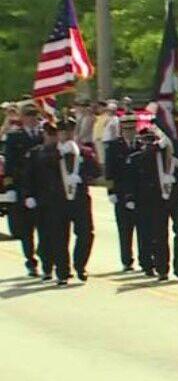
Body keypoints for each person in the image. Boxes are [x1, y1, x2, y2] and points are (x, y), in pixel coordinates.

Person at [132, 125, 178, 281]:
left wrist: (177, 178)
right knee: (159, 233)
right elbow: (142, 161)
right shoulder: (151, 153)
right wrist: (157, 146)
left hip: (177, 197)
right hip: (157, 198)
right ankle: (162, 268)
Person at [25, 122, 73, 285]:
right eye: (49, 134)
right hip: (42, 201)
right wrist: (29, 195)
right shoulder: (35, 153)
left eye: (54, 134)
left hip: (60, 201)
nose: (52, 137)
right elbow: (29, 176)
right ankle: (47, 268)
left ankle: (63, 271)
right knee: (44, 237)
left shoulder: (65, 151)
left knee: (61, 237)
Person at [105, 115, 147, 273]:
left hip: (140, 193)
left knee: (143, 229)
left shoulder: (142, 145)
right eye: (126, 129)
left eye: (132, 129)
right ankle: (127, 260)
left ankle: (144, 260)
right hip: (121, 193)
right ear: (121, 130)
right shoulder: (114, 147)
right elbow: (109, 171)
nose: (129, 132)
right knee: (125, 229)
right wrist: (111, 191)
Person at [4, 103, 42, 276]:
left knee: (46, 226)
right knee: (27, 229)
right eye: (29, 115)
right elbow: (9, 164)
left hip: (42, 187)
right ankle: (30, 260)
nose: (32, 118)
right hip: (22, 187)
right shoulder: (15, 137)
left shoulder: (44, 135)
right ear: (23, 118)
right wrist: (10, 187)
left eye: (34, 115)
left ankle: (43, 254)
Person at [55, 119, 96, 282]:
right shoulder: (51, 153)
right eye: (63, 131)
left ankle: (80, 265)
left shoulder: (84, 152)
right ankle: (62, 271)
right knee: (59, 236)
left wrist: (82, 177)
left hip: (80, 200)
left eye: (70, 131)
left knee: (86, 233)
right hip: (59, 200)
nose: (66, 135)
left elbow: (96, 171)